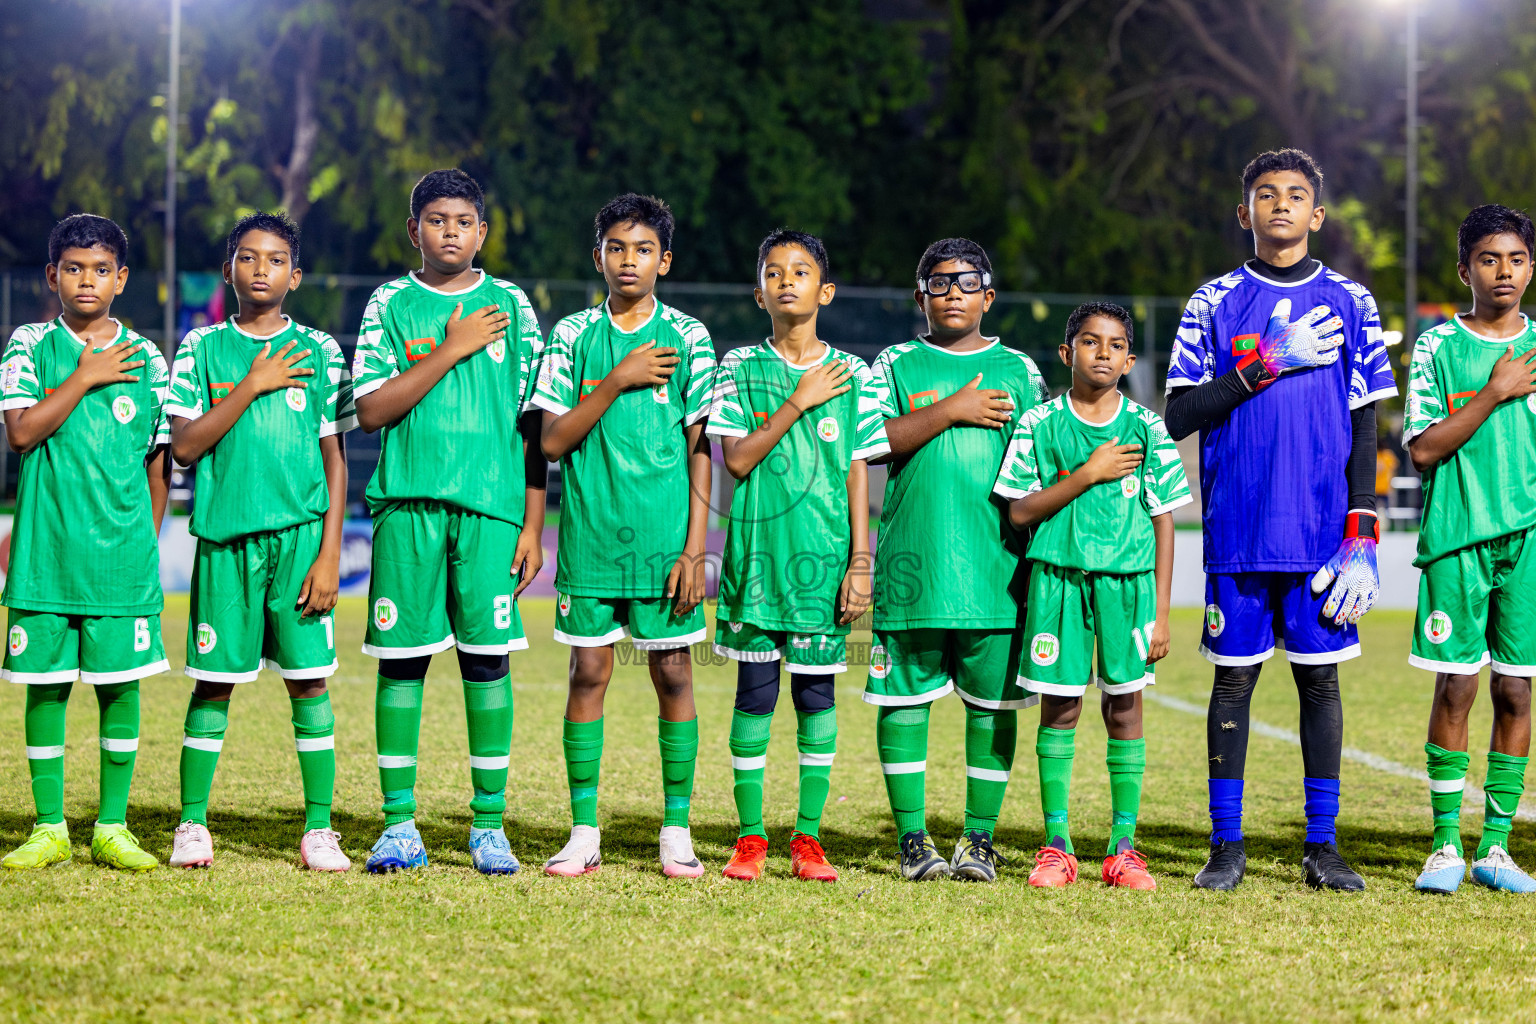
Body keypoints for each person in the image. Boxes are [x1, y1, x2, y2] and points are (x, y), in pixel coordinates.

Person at [1164, 148, 1398, 891]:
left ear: (1317, 214)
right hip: (1237, 530)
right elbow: (1179, 414)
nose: (1281, 206)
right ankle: (1225, 845)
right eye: (1266, 194)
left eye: (1297, 195)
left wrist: (1361, 532)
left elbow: (1366, 425)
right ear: (1245, 213)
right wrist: (1265, 361)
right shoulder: (1211, 303)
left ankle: (1322, 845)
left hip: (1324, 538)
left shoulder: (1354, 303)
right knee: (1232, 687)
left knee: (1320, 686)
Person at [351, 169, 547, 875]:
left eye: (464, 221)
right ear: (415, 231)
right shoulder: (391, 303)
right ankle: (399, 824)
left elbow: (534, 423)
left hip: (492, 511)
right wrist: (453, 346)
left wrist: (532, 524)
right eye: (436, 220)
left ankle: (488, 825)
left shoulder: (513, 306)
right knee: (402, 661)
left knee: (486, 662)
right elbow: (371, 410)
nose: (451, 232)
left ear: (482, 232)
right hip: (409, 506)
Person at [163, 212, 354, 872]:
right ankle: (191, 825)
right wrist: (250, 385)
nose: (261, 269)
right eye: (248, 258)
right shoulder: (201, 348)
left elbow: (335, 459)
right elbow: (184, 447)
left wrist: (330, 553)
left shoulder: (322, 350)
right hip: (225, 541)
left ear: (294, 276)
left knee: (309, 684)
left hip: (301, 543)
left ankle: (320, 829)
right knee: (214, 684)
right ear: (229, 270)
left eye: (275, 260)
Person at [533, 193, 715, 878]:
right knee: (589, 672)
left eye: (642, 249)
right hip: (590, 539)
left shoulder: (690, 338)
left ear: (664, 260)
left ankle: (676, 829)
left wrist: (696, 548)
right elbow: (552, 440)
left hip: (667, 544)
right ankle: (584, 831)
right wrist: (615, 380)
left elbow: (703, 449)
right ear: (598, 256)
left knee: (673, 672)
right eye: (616, 247)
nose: (628, 260)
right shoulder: (572, 336)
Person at [864, 238, 1047, 882]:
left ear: (988, 298)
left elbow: (1042, 468)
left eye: (966, 283)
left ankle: (978, 839)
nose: (952, 294)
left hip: (997, 568)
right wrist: (951, 411)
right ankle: (914, 840)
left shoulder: (1020, 372)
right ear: (920, 297)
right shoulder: (893, 363)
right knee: (904, 702)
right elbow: (868, 443)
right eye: (938, 284)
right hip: (914, 565)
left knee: (992, 707)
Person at [710, 229, 889, 883]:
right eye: (775, 273)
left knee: (816, 698)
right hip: (758, 563)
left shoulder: (853, 374)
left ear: (826, 290)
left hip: (823, 567)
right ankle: (751, 838)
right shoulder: (737, 368)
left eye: (802, 270)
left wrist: (861, 562)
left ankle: (808, 839)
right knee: (754, 697)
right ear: (760, 293)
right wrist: (797, 400)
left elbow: (856, 472)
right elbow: (737, 458)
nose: (788, 281)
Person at [995, 302, 1190, 890]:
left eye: (1113, 345)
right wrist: (1088, 472)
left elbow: (1163, 521)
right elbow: (1020, 509)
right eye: (1088, 341)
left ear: (1129, 360)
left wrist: (1158, 610)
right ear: (1066, 353)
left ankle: (1124, 848)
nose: (1101, 353)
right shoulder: (1039, 423)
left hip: (1127, 589)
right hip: (1057, 581)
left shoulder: (1147, 427)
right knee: (1061, 707)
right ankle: (1056, 846)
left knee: (1125, 707)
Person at [0, 214, 171, 872]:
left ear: (122, 279)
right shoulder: (29, 346)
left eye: (101, 269)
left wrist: (143, 542)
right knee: (45, 686)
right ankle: (48, 828)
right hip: (45, 553)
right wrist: (83, 377)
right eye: (73, 268)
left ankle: (111, 827)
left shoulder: (147, 360)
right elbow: (20, 433)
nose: (87, 280)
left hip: (120, 561)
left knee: (119, 686)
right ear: (52, 276)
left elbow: (158, 465)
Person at [1404, 204, 1536, 894]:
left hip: (1530, 542)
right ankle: (1447, 844)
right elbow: (1424, 448)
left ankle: (1496, 847)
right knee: (1456, 684)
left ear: (1532, 267)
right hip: (1458, 538)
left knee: (1517, 688)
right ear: (1465, 270)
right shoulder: (1437, 347)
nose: (1503, 271)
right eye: (1489, 258)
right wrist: (1493, 391)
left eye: (1515, 258)